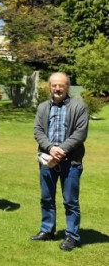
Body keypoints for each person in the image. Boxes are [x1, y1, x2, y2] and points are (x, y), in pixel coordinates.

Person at [30, 72, 88, 251]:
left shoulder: (79, 107)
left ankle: (72, 236)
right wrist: (50, 148)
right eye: (54, 85)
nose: (57, 88)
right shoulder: (42, 107)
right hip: (47, 160)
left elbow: (80, 133)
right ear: (49, 87)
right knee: (46, 198)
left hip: (71, 161)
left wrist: (61, 149)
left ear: (67, 86)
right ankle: (47, 230)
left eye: (61, 85)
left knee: (70, 200)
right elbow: (38, 131)